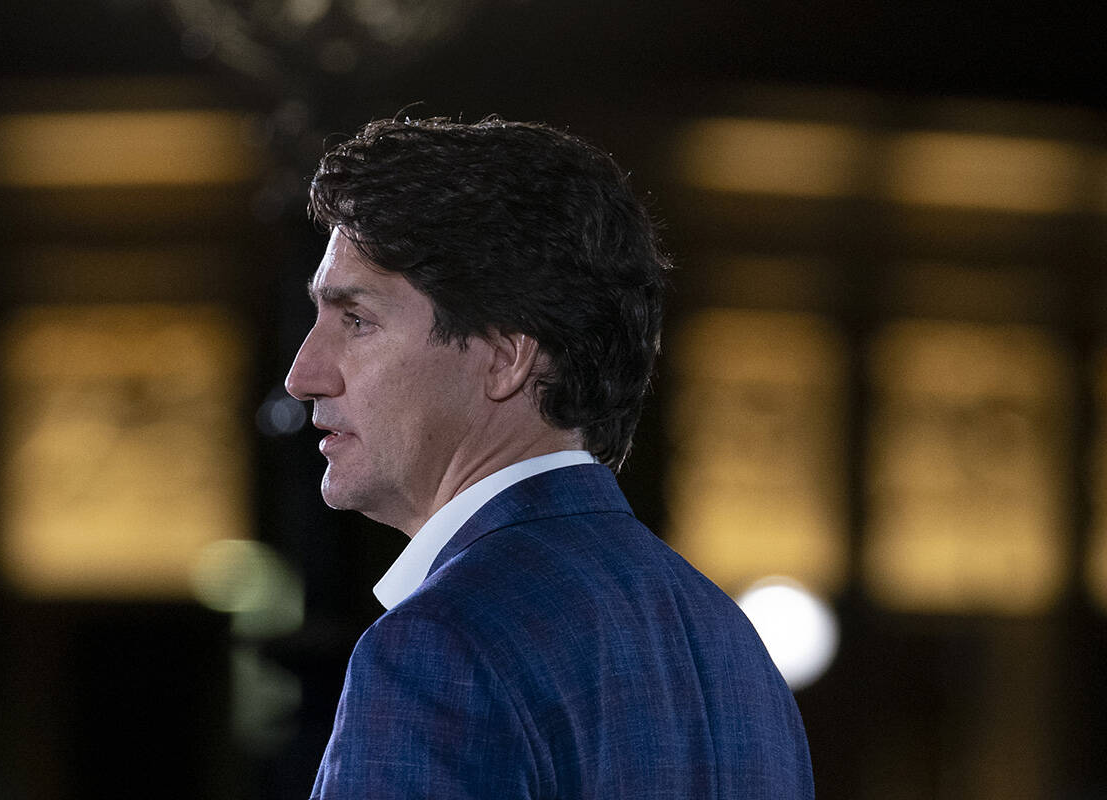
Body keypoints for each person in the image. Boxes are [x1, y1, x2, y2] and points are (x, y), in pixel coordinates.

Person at [285, 116, 814, 799]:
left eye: (355, 320)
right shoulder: (736, 654)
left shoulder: (439, 648)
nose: (304, 374)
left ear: (507, 358)